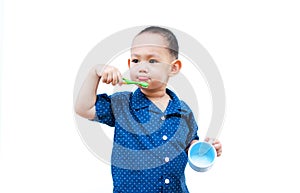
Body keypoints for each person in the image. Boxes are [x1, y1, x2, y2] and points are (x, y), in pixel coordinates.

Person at [75, 26, 222, 193]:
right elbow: (83, 108)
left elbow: (189, 145)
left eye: (152, 61)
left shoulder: (184, 111)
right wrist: (95, 73)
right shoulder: (122, 104)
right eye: (136, 61)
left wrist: (204, 148)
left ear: (173, 68)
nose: (142, 67)